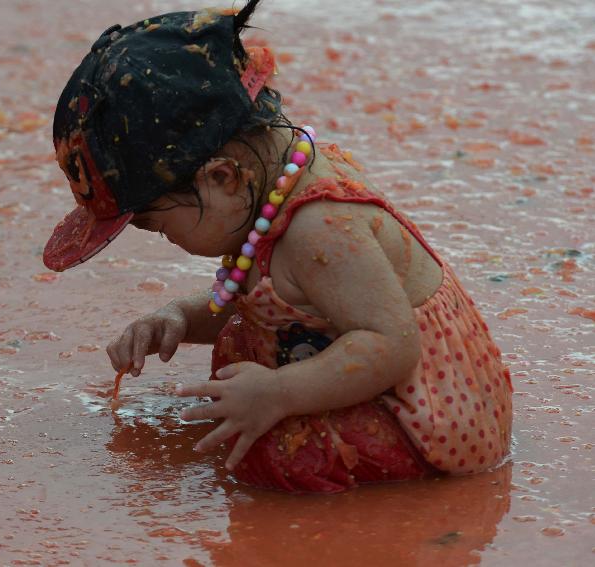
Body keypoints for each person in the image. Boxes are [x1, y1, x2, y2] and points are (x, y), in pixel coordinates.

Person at [43, 0, 512, 492]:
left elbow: (391, 346)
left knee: (275, 456)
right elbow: (265, 298)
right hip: (387, 373)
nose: (168, 241)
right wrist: (179, 317)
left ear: (222, 177)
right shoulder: (278, 183)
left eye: (159, 226)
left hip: (434, 418)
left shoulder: (318, 230)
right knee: (243, 350)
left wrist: (278, 394)